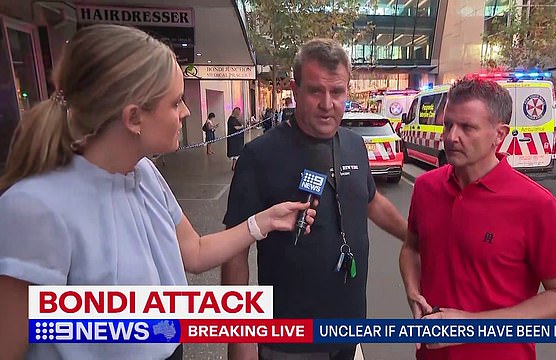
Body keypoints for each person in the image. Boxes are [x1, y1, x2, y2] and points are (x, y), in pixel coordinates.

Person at [0, 24, 316, 360]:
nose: (187, 112)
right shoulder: (34, 209)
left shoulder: (145, 173)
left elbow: (194, 251)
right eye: (175, 102)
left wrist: (263, 222)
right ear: (134, 117)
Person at [221, 38, 408, 360]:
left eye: (337, 92)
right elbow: (234, 251)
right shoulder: (259, 155)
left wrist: (416, 237)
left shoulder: (354, 146)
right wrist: (239, 339)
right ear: (295, 90)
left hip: (348, 325)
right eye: (315, 91)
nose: (327, 103)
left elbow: (371, 201)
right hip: (288, 337)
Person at [399, 77, 556, 360]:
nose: (451, 137)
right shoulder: (426, 188)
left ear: (499, 134)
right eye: (448, 124)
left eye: (467, 127)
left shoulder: (535, 204)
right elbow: (412, 247)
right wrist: (414, 292)